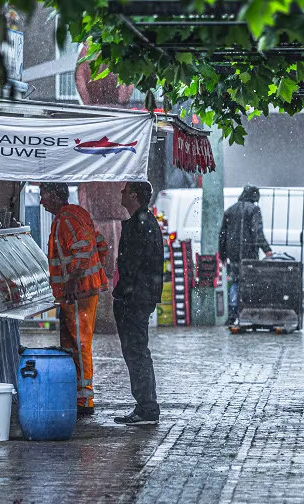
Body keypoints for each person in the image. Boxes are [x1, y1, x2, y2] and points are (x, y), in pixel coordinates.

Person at [39, 182, 109, 418]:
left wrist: (72, 282)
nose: (41, 201)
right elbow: (100, 245)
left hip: (78, 294)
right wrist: (97, 272)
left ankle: (85, 398)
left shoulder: (65, 220)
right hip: (79, 293)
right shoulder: (77, 214)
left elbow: (82, 250)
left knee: (79, 344)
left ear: (56, 196)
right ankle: (76, 393)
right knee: (72, 344)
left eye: (44, 195)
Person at [112, 180, 165, 426]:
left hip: (135, 299)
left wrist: (123, 294)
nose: (121, 194)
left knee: (136, 351)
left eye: (124, 191)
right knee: (137, 351)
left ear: (134, 195)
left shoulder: (139, 225)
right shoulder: (147, 222)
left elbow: (131, 264)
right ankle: (146, 405)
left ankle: (146, 407)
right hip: (140, 297)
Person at [218, 184, 273, 325]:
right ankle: (249, 312)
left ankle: (232, 313)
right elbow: (257, 232)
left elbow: (222, 235)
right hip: (249, 251)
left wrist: (223, 254)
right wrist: (266, 249)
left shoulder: (230, 210)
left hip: (233, 253)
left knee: (235, 282)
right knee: (250, 282)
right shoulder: (254, 210)